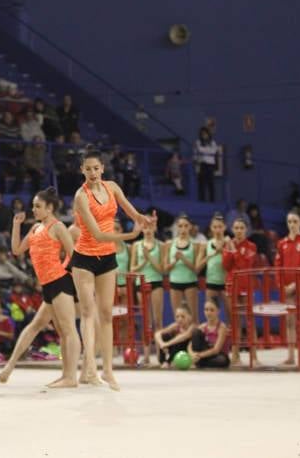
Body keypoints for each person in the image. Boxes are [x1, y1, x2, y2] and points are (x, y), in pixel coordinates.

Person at [70, 146, 150, 389]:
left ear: (103, 168)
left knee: (106, 314)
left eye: (96, 168)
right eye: (88, 169)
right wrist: (129, 236)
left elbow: (131, 210)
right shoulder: (80, 196)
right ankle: (90, 367)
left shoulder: (112, 187)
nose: (93, 173)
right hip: (84, 258)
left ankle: (108, 370)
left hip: (107, 259)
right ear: (82, 170)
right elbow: (96, 234)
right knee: (87, 312)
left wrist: (143, 220)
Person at [1, 187, 79, 387]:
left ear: (50, 208)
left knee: (68, 330)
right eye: (33, 206)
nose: (34, 209)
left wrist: (64, 272)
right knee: (40, 327)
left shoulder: (58, 226)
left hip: (61, 282)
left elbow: (73, 254)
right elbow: (17, 250)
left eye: (38, 206)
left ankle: (71, 377)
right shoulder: (35, 228)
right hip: (47, 285)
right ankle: (10, 366)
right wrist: (16, 225)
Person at [275, 210, 300, 366]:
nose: (292, 225)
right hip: (287, 287)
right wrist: (282, 286)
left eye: (295, 221)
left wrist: (296, 285)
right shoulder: (282, 243)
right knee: (289, 321)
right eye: (289, 221)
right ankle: (291, 355)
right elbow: (278, 266)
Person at [222, 218, 257, 365]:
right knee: (234, 321)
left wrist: (234, 251)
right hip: (232, 284)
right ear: (232, 229)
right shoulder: (228, 245)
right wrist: (230, 251)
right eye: (236, 228)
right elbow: (226, 265)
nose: (238, 231)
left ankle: (254, 356)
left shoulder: (251, 246)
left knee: (250, 320)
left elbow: (244, 263)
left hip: (246, 285)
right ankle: (235, 355)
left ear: (246, 230)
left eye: (241, 228)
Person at [130, 219, 164, 364]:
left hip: (156, 281)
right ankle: (146, 355)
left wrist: (149, 257)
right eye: (145, 227)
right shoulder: (136, 245)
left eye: (150, 226)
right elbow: (132, 269)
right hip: (141, 282)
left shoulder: (161, 245)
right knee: (146, 320)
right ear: (142, 229)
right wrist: (144, 262)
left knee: (158, 320)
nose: (148, 229)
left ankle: (161, 354)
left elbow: (162, 269)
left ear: (155, 227)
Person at [163, 215, 202, 324]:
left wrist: (183, 259)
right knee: (178, 318)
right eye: (180, 226)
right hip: (175, 283)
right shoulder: (169, 244)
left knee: (194, 317)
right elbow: (165, 269)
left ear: (190, 227)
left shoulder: (195, 245)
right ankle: (181, 340)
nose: (183, 228)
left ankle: (195, 340)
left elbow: (196, 269)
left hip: (191, 282)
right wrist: (175, 261)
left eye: (186, 226)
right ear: (177, 227)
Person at [189, 299, 231, 368]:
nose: (208, 312)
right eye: (206, 310)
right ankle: (198, 361)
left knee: (222, 360)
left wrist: (199, 355)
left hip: (217, 354)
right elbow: (190, 344)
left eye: (212, 310)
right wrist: (192, 354)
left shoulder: (222, 327)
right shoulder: (202, 326)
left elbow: (216, 350)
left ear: (218, 311)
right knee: (196, 332)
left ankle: (199, 362)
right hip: (204, 353)